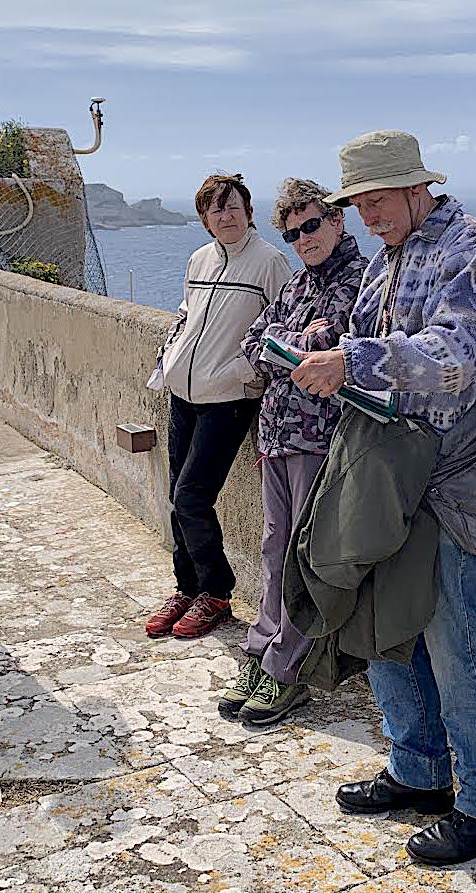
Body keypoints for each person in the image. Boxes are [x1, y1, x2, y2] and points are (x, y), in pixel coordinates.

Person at [291, 130, 476, 866]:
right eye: (359, 205)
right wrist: (330, 340)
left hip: (454, 478)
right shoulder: (388, 257)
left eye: (379, 201)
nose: (368, 217)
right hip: (395, 476)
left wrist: (353, 357)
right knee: (384, 621)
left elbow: (461, 354)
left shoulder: (472, 247)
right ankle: (418, 771)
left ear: (419, 187)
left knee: (457, 636)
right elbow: (370, 337)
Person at [217, 178, 364, 726]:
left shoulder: (359, 281)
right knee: (274, 547)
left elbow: (337, 349)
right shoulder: (298, 285)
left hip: (320, 440)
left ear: (336, 221)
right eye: (293, 233)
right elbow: (254, 343)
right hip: (277, 435)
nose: (304, 239)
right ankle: (260, 652)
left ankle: (287, 669)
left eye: (312, 225)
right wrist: (297, 344)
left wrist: (293, 344)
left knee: (304, 557)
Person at [144, 174, 293, 640]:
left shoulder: (269, 262)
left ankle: (215, 592)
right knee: (177, 497)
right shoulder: (199, 259)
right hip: (183, 395)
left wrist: (240, 373)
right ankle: (186, 587)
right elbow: (186, 314)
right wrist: (169, 360)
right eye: (216, 209)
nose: (225, 215)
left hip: (228, 400)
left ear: (248, 212)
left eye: (233, 207)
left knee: (192, 496)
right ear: (205, 219)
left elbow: (284, 330)